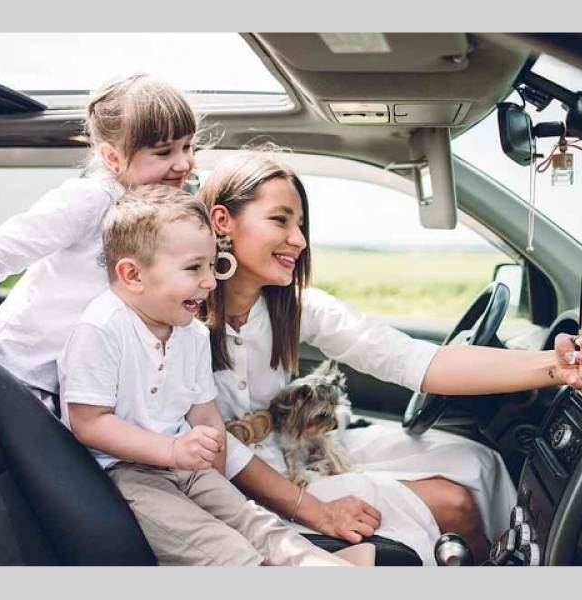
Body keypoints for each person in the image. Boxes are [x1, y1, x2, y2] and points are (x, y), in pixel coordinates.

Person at [197, 150, 582, 565]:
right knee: (452, 503)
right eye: (280, 220)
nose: (300, 240)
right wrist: (314, 509)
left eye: (301, 225)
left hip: (297, 448)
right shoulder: (183, 319)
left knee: (479, 463)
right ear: (222, 221)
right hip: (246, 486)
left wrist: (555, 367)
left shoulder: (295, 307)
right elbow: (218, 448)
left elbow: (413, 359)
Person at [59, 185, 369, 566]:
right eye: (194, 268)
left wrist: (215, 479)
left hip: (184, 465)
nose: (210, 281)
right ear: (132, 274)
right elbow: (89, 423)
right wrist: (172, 450)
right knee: (225, 549)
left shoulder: (191, 333)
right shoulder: (101, 329)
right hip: (123, 473)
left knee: (259, 524)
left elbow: (204, 414)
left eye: (212, 265)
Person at [0, 73, 197, 414]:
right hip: (24, 373)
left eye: (188, 147)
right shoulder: (90, 200)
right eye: (163, 152)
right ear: (112, 157)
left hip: (82, 384)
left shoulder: (161, 213)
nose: (183, 164)